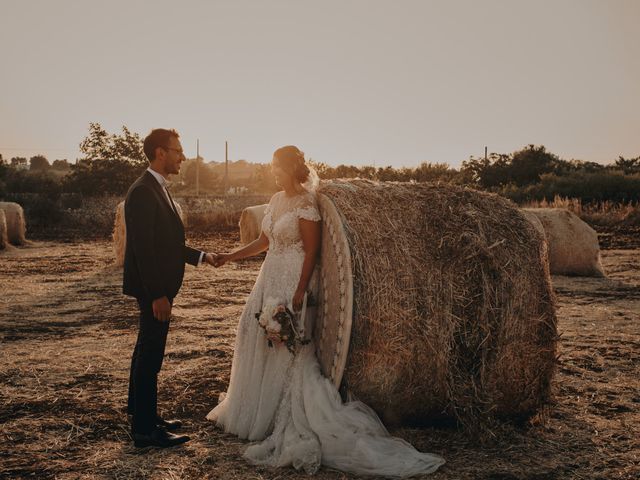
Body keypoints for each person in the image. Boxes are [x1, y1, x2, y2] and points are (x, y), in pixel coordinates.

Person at [206, 145, 445, 477]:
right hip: (269, 277)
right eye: (272, 166)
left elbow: (311, 252)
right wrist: (230, 256)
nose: (273, 171)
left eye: (277, 167)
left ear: (292, 168)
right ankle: (255, 410)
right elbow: (264, 241)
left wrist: (301, 290)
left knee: (288, 346)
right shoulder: (275, 200)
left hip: (293, 281)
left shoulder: (307, 203)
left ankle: (282, 415)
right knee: (256, 332)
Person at [123, 128, 214, 448]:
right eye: (177, 150)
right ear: (160, 152)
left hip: (158, 286)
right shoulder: (144, 191)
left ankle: (141, 412)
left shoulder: (155, 187)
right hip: (155, 288)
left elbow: (168, 243)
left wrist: (202, 257)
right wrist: (157, 295)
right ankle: (146, 431)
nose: (183, 156)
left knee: (144, 348)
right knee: (151, 354)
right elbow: (143, 248)